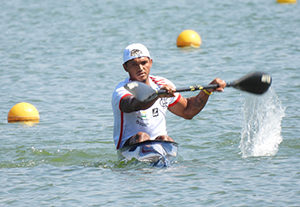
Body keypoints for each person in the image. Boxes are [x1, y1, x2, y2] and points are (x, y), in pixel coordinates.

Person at [112, 43, 226, 150]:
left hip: (159, 145)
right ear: (125, 68)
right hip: (131, 145)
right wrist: (158, 95)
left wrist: (207, 91)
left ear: (150, 62)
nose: (140, 68)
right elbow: (135, 105)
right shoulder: (122, 90)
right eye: (134, 64)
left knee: (166, 139)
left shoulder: (162, 84)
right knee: (142, 137)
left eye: (143, 63)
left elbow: (187, 111)